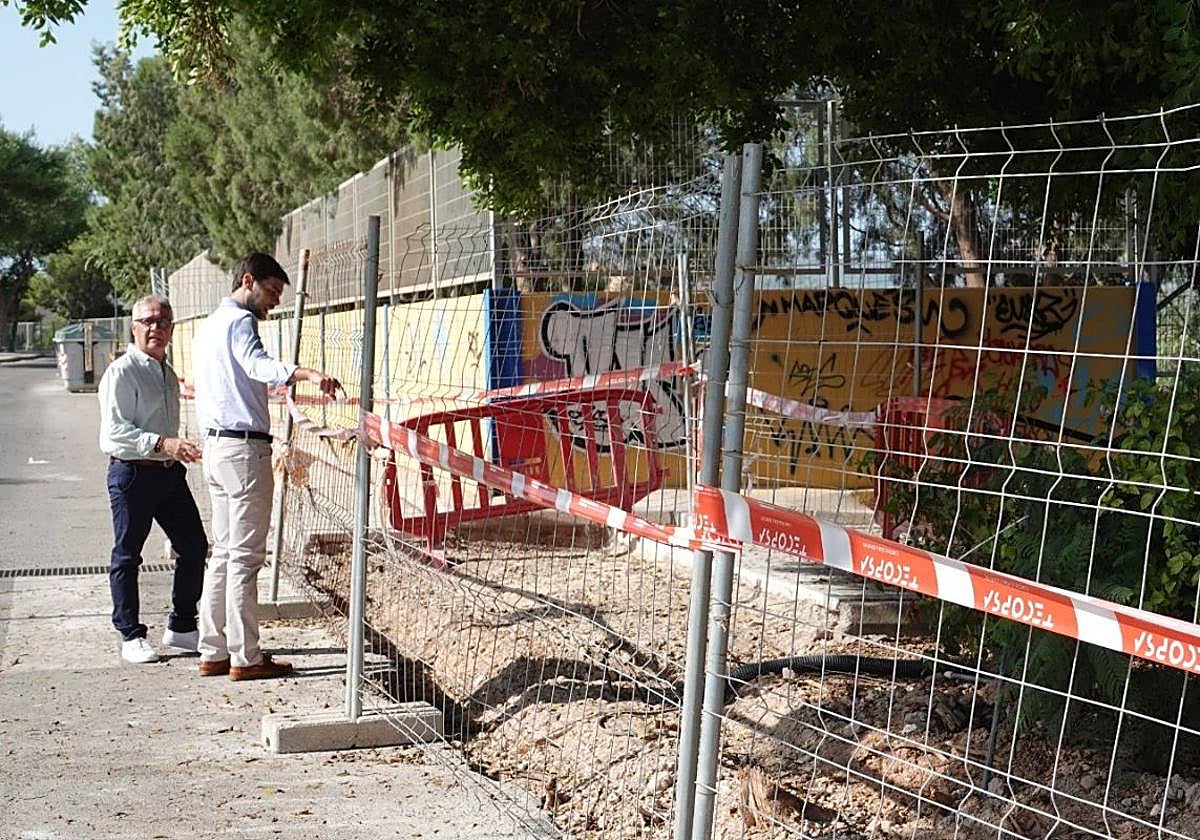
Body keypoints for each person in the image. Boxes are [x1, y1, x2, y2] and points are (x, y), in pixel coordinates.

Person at [191, 252, 340, 681]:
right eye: (272, 292)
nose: (274, 302)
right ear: (249, 281)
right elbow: (256, 364)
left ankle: (213, 650)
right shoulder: (240, 323)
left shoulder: (208, 325)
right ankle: (246, 657)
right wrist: (302, 372)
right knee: (244, 558)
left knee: (222, 554)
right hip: (242, 451)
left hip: (217, 450)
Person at [98, 295, 207, 664]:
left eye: (163, 322)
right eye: (147, 321)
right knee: (128, 555)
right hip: (132, 474)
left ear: (172, 329)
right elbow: (114, 432)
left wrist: (178, 449)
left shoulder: (165, 371)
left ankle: (182, 625)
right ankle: (130, 634)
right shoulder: (123, 371)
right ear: (134, 327)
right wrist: (163, 442)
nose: (155, 328)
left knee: (193, 545)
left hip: (167, 473)